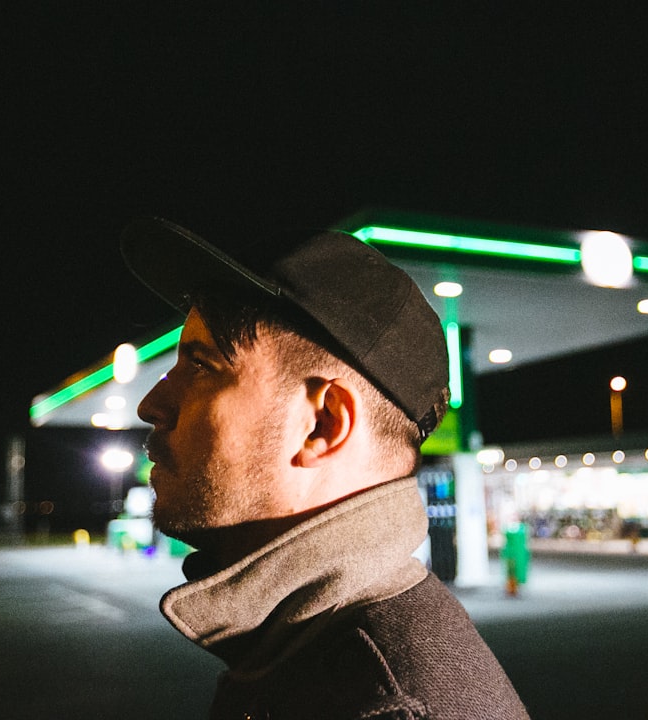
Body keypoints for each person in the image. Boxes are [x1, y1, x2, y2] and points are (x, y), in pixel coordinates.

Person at [121, 216, 531, 720]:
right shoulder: (302, 643)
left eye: (201, 366)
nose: (151, 403)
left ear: (323, 423)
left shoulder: (384, 706)